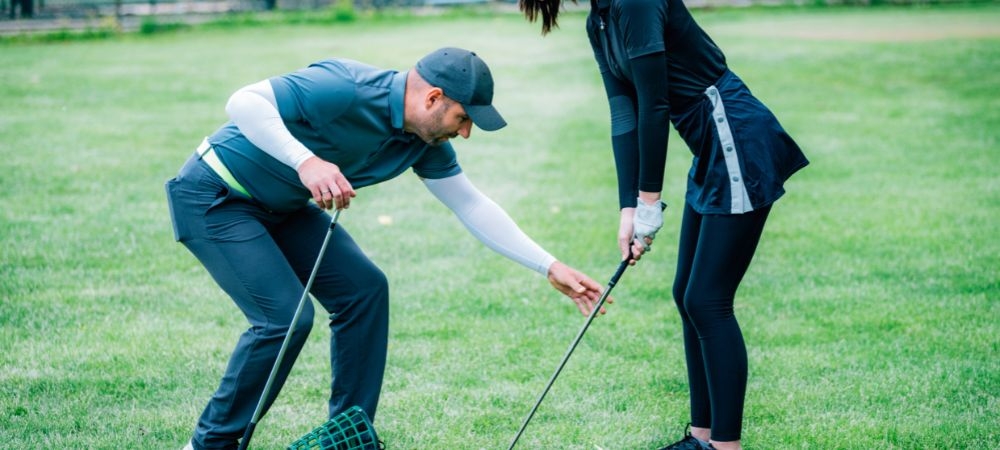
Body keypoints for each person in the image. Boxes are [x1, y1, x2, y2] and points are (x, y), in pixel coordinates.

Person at [165, 47, 607, 450]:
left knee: (365, 289)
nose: (467, 132)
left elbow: (470, 203)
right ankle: (208, 447)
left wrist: (548, 265)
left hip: (283, 207)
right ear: (433, 98)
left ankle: (347, 440)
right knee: (283, 319)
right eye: (463, 118)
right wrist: (307, 162)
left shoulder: (422, 140)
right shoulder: (346, 87)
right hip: (216, 196)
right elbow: (243, 102)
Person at [520, 1, 810, 449]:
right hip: (710, 149)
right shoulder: (599, 20)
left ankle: (724, 446)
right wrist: (628, 209)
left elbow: (655, 105)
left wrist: (649, 202)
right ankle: (701, 437)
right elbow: (626, 113)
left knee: (708, 300)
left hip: (736, 137)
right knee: (686, 295)